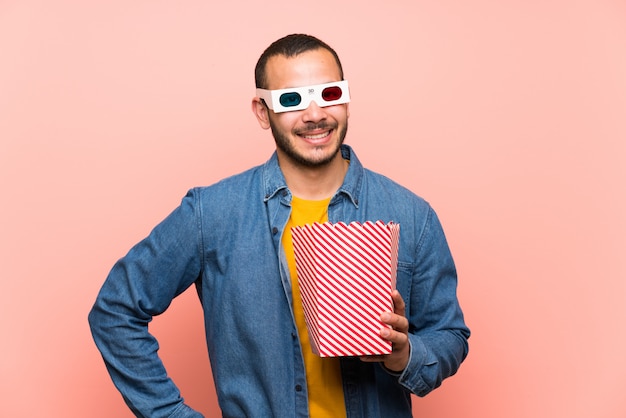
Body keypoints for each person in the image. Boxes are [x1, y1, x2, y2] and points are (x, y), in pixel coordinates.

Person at [88, 33, 470, 418]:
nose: (315, 114)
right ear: (261, 111)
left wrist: (403, 354)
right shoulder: (213, 213)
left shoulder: (411, 214)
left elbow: (449, 335)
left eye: (329, 94)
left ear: (347, 99)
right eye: (292, 100)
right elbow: (115, 311)